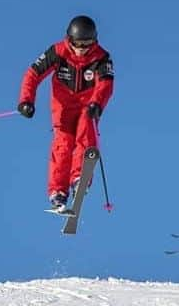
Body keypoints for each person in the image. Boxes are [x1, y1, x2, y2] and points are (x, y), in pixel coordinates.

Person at [17, 15, 115, 213]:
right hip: (62, 107)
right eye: (77, 43)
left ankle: (79, 178)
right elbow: (32, 74)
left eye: (86, 44)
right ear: (69, 39)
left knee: (85, 134)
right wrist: (26, 101)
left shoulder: (101, 57)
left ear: (94, 41)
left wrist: (97, 103)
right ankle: (57, 191)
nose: (81, 48)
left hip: (87, 106)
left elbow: (106, 83)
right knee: (63, 144)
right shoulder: (58, 52)